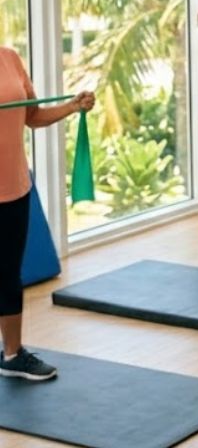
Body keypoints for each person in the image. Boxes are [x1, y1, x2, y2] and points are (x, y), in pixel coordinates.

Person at [0, 48, 94, 382]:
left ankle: (11, 354)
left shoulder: (8, 58)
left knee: (9, 274)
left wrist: (71, 106)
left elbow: (32, 117)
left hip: (14, 186)